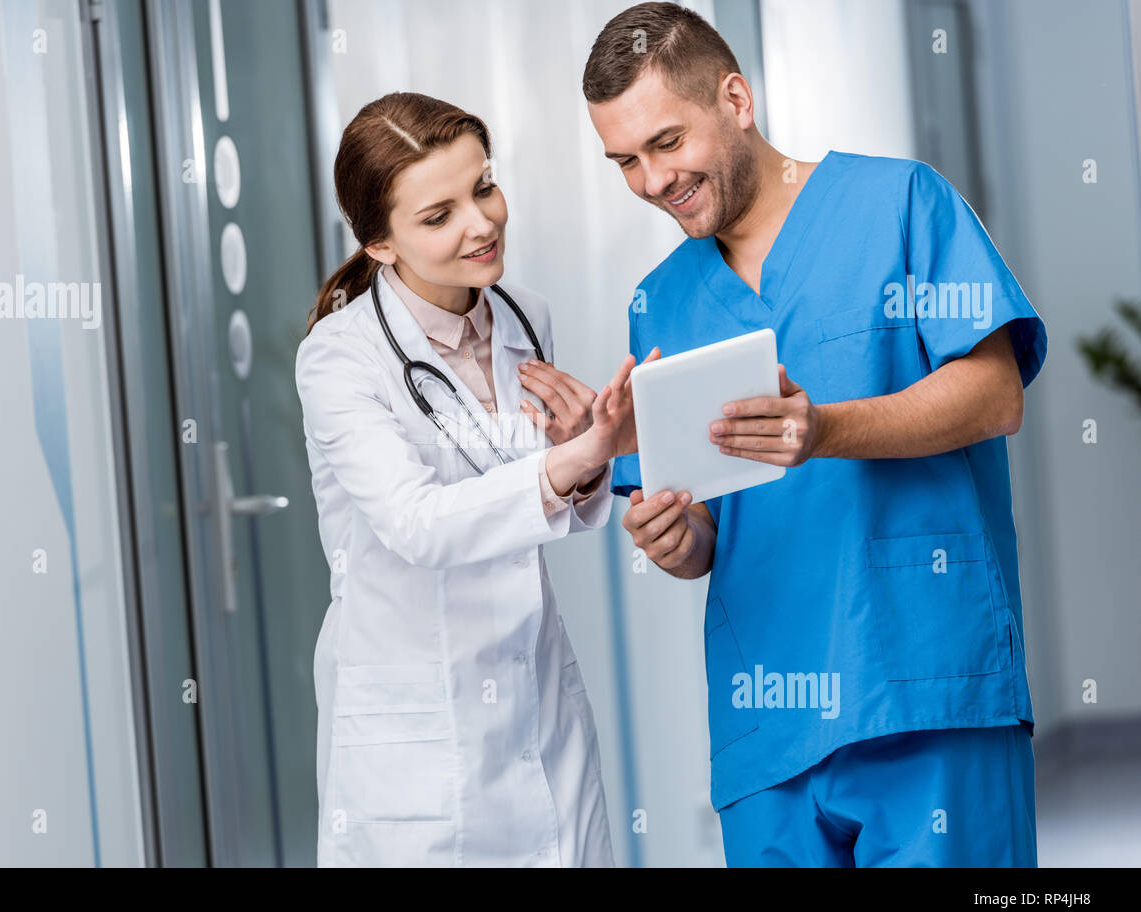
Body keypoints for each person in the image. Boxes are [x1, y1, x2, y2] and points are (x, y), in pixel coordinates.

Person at [583, 3, 1047, 866]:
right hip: (769, 731)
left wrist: (824, 427)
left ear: (735, 97)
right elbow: (699, 535)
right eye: (625, 162)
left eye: (667, 143)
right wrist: (669, 534)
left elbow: (995, 395)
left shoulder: (899, 202)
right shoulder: (660, 301)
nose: (652, 181)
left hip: (926, 683)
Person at [296, 92, 639, 866]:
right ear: (381, 243)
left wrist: (582, 454)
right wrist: (574, 461)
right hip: (414, 736)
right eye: (438, 214)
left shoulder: (525, 316)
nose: (481, 223)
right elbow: (420, 523)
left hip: (535, 703)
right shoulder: (339, 358)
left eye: (483, 187)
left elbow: (533, 495)